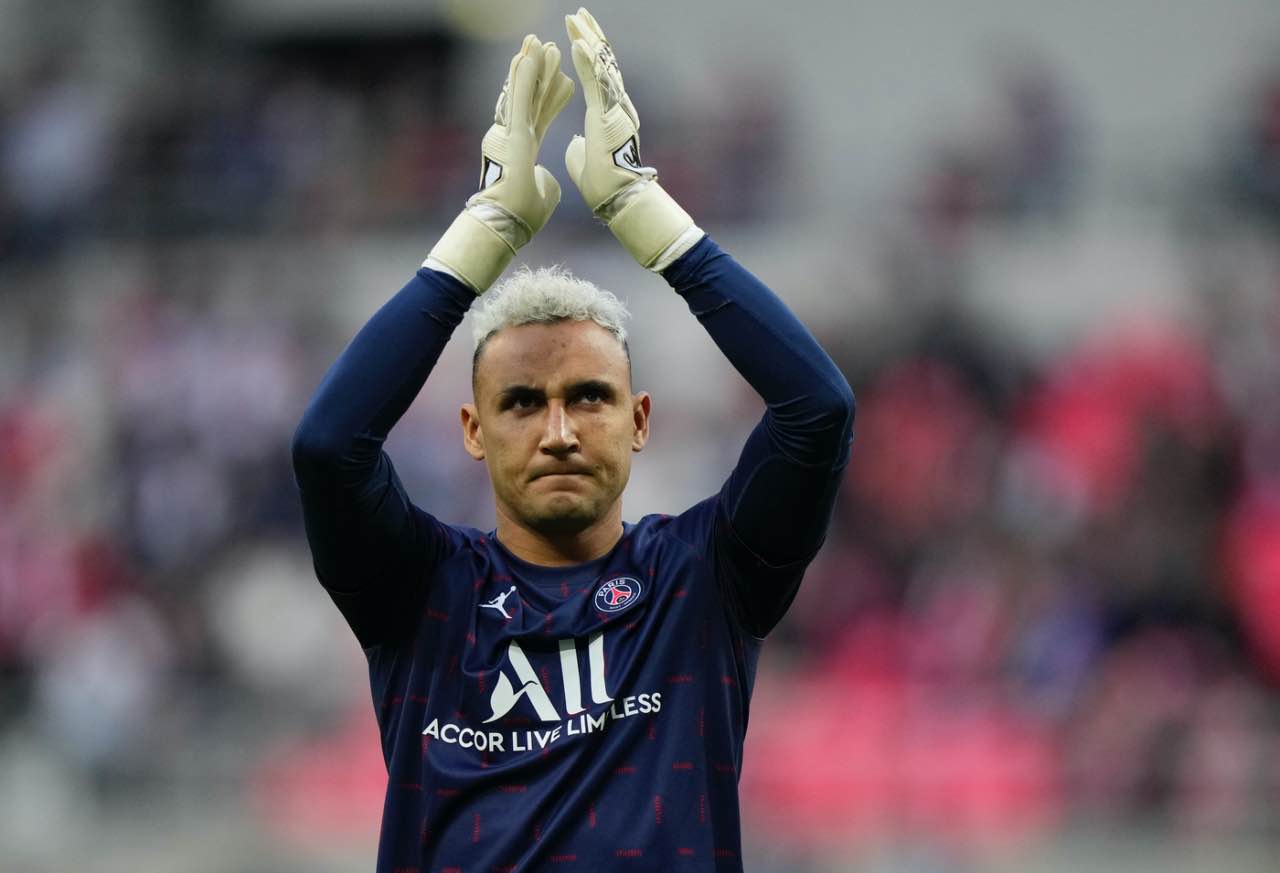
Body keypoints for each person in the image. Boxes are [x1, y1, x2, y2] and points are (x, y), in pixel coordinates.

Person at [291, 9, 854, 871]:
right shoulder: (421, 590)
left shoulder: (703, 578)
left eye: (589, 396)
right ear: (474, 432)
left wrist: (648, 215)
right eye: (522, 403)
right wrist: (483, 230)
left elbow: (818, 408)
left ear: (640, 419)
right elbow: (329, 447)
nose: (558, 431)